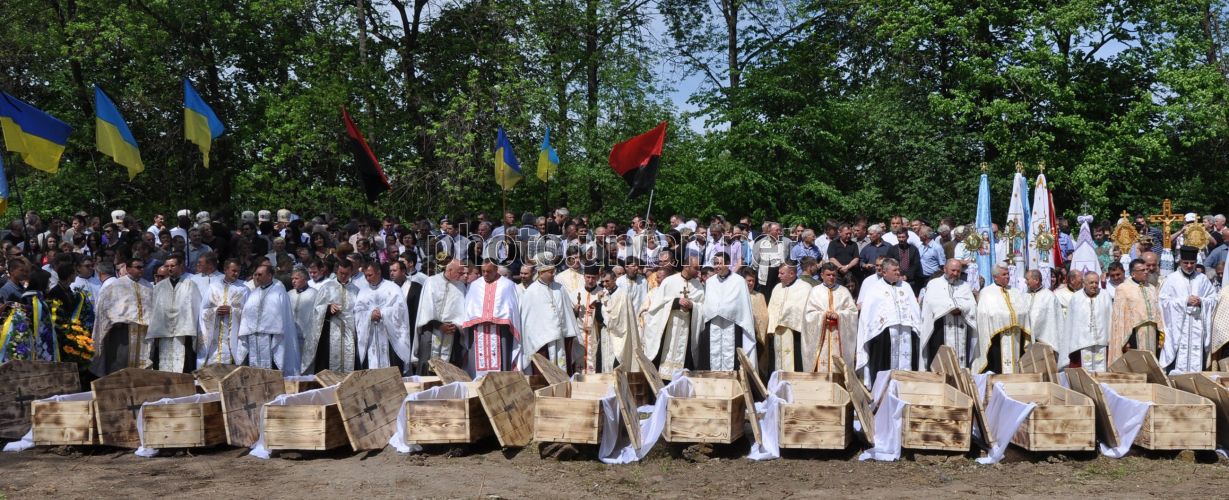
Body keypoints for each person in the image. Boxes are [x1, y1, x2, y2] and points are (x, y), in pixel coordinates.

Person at [855, 258, 923, 384]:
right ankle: (882, 391)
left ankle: (906, 388)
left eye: (899, 269)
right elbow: (868, 314)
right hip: (883, 335)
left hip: (905, 332)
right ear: (885, 272)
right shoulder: (875, 288)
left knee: (908, 361)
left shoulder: (906, 286)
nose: (898, 272)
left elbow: (914, 309)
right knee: (883, 365)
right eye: (895, 270)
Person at [641, 257, 704, 377]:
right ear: (686, 266)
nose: (698, 271)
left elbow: (702, 308)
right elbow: (656, 307)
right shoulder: (669, 282)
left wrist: (693, 305)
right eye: (696, 268)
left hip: (687, 329)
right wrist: (675, 302)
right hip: (669, 328)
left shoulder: (699, 286)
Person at [1159, 246, 1219, 372]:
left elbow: (1214, 299)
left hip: (1197, 325)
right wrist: (1185, 301)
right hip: (1179, 327)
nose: (1189, 266)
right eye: (1186, 263)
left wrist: (1201, 301)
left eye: (1192, 263)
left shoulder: (1202, 279)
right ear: (1180, 262)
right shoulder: (1171, 279)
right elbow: (1163, 302)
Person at [696, 252, 756, 371]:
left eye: (720, 263)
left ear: (728, 264)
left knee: (732, 356)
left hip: (733, 324)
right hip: (713, 324)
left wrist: (728, 310)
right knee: (711, 355)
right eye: (715, 263)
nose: (717, 266)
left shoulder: (739, 281)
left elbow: (743, 305)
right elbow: (708, 303)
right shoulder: (710, 282)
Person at [235, 264, 300, 373]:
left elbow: (283, 318)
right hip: (253, 337)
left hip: (272, 337)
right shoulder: (253, 293)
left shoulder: (279, 292)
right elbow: (246, 315)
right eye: (255, 274)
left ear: (270, 275)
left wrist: (272, 329)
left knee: (272, 368)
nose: (257, 277)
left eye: (260, 274)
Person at [461, 261, 522, 376]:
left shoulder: (507, 285)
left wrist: (497, 318)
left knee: (502, 360)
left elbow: (511, 309)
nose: (485, 274)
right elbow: (469, 308)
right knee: (477, 362)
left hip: (501, 332)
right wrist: (479, 318)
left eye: (488, 271)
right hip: (478, 330)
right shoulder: (475, 285)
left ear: (496, 270)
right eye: (483, 271)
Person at [519, 259, 580, 373]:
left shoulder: (560, 288)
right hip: (542, 341)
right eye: (551, 272)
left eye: (554, 271)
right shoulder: (531, 292)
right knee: (544, 372)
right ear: (541, 273)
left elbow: (568, 313)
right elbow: (528, 321)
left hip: (561, 338)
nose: (554, 274)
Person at [145, 253, 201, 372]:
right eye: (167, 266)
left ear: (181, 266)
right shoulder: (159, 286)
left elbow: (195, 308)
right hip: (163, 331)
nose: (169, 268)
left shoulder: (190, 285)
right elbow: (155, 310)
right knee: (162, 362)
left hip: (183, 331)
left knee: (184, 364)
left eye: (173, 265)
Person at [353, 261, 413, 371]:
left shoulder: (393, 288)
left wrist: (383, 313)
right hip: (370, 338)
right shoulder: (363, 292)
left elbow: (400, 310)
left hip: (390, 338)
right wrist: (369, 315)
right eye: (365, 276)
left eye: (370, 275)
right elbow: (357, 312)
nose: (367, 278)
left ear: (378, 272)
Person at [919, 259, 978, 368]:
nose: (955, 274)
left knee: (961, 365)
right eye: (953, 270)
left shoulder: (964, 285)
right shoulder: (934, 283)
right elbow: (931, 303)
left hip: (961, 329)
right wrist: (950, 307)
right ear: (945, 269)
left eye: (958, 271)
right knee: (940, 365)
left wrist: (960, 308)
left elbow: (972, 304)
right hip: (940, 329)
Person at [973, 266, 1030, 374]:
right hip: (996, 337)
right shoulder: (987, 293)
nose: (1007, 276)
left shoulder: (1016, 292)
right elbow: (984, 315)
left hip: (1016, 336)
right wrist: (1006, 318)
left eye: (1008, 274)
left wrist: (1015, 317)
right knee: (997, 367)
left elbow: (1024, 311)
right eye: (1004, 274)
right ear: (995, 277)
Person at [414, 259, 468, 374]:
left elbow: (462, 312)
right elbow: (425, 309)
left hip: (452, 332)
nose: (462, 276)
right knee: (427, 362)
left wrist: (455, 326)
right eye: (459, 272)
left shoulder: (461, 286)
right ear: (450, 270)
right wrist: (439, 325)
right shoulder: (431, 282)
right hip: (431, 328)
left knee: (451, 366)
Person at [802, 262, 858, 372]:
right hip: (821, 335)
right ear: (822, 275)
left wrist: (839, 315)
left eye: (834, 275)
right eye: (828, 275)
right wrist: (824, 315)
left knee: (837, 367)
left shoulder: (844, 291)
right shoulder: (815, 291)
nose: (831, 277)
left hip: (838, 334)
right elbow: (808, 314)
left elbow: (853, 312)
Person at [312, 258, 360, 373]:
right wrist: (328, 308)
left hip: (350, 332)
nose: (343, 276)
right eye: (341, 273)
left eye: (346, 274)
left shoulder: (356, 290)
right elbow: (316, 309)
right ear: (336, 271)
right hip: (330, 331)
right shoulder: (327, 287)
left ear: (351, 272)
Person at [198, 259, 248, 367]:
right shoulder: (213, 287)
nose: (236, 274)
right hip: (214, 334)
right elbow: (203, 310)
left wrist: (232, 311)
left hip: (233, 335)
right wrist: (215, 311)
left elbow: (248, 314)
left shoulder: (244, 289)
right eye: (234, 271)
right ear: (225, 270)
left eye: (238, 271)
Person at [766, 264, 812, 372]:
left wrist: (786, 318)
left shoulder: (805, 287)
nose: (778, 276)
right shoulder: (777, 288)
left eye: (782, 273)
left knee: (796, 363)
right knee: (776, 362)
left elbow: (802, 310)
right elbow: (771, 309)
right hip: (777, 332)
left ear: (792, 274)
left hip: (795, 333)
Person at [591, 269, 637, 373]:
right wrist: (598, 301)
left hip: (619, 336)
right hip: (605, 334)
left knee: (616, 365)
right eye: (603, 282)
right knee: (603, 363)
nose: (604, 284)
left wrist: (609, 322)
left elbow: (622, 319)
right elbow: (599, 319)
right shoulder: (604, 295)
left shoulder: (623, 295)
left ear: (615, 279)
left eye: (607, 281)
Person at [1067, 272, 1112, 371]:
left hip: (1102, 341)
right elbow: (1071, 322)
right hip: (1082, 343)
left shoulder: (1105, 295)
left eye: (1096, 282)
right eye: (1091, 282)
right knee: (1083, 370)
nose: (1094, 285)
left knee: (1102, 369)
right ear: (1084, 283)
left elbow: (1110, 318)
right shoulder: (1076, 297)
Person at [288, 268, 327, 374]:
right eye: (292, 279)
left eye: (296, 278)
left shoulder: (315, 294)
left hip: (308, 337)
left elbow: (320, 315)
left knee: (306, 365)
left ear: (305, 279)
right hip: (291, 336)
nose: (293, 281)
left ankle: (306, 383)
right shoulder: (289, 294)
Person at [1023, 269, 1063, 363]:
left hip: (1045, 341)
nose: (1025, 282)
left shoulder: (1049, 297)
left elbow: (1054, 321)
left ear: (1036, 280)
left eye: (1027, 279)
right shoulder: (1025, 295)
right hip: (1027, 338)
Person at [886, 226, 923, 295]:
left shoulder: (913, 249)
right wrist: (897, 275)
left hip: (911, 280)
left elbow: (915, 264)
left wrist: (906, 276)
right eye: (899, 237)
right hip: (896, 279)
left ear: (907, 237)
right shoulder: (892, 249)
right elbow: (889, 263)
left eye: (903, 237)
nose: (901, 239)